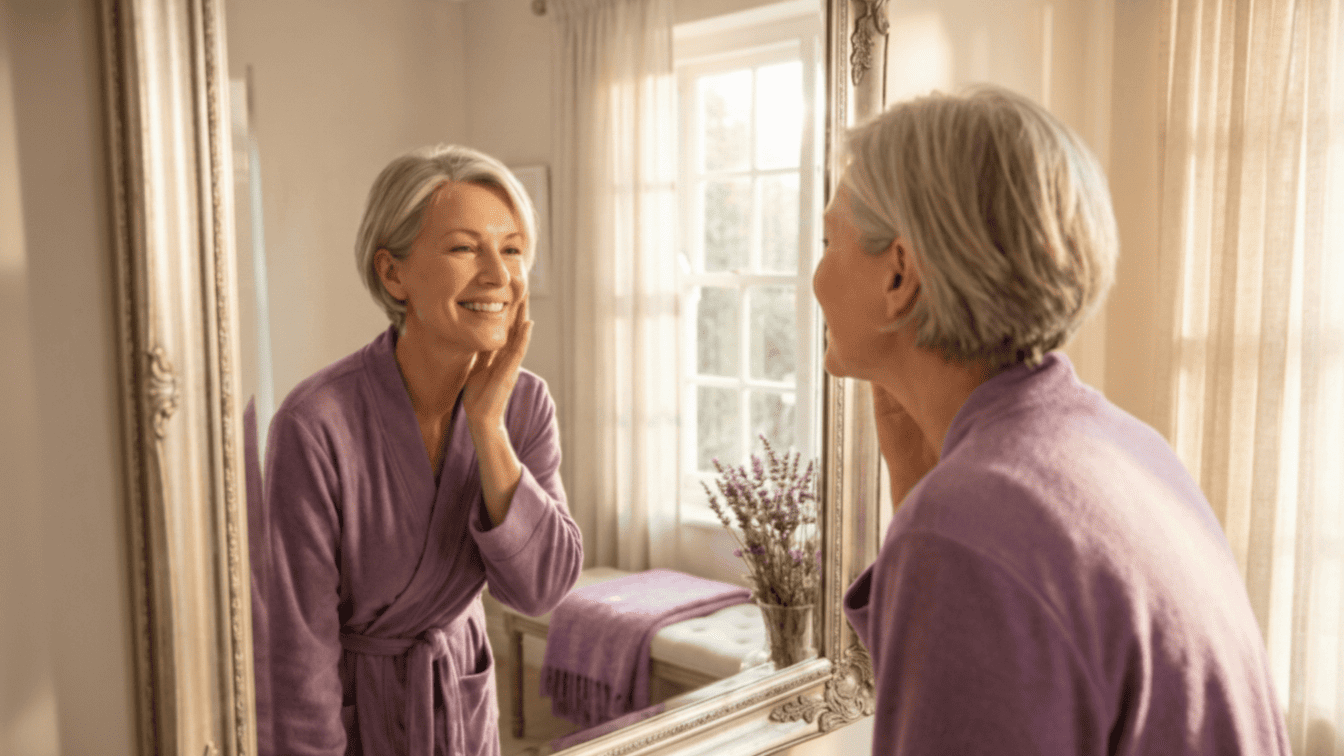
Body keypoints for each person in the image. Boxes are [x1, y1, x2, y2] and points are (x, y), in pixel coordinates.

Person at [814, 86, 1290, 754]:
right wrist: (920, 481)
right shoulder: (1125, 445)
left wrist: (936, 510)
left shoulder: (965, 527)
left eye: (828, 239)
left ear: (899, 276)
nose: (813, 276)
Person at [250, 144, 583, 756]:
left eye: (512, 249)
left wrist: (488, 427)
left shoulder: (525, 404)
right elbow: (296, 654)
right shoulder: (315, 423)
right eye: (464, 248)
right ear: (393, 273)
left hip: (460, 704)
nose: (498, 275)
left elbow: (542, 589)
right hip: (356, 722)